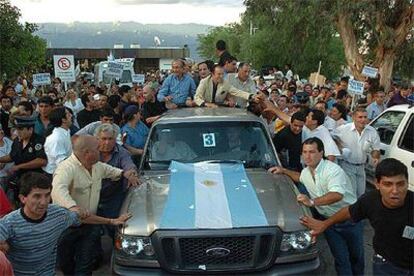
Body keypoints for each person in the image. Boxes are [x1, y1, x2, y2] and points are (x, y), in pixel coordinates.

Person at [0, 172, 131, 275]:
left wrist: (111, 221)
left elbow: (82, 218)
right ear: (23, 198)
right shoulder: (10, 222)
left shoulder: (57, 214)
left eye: (47, 195)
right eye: (37, 196)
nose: (44, 202)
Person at [300, 158, 413, 275]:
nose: (395, 191)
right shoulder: (369, 200)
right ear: (377, 184)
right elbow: (348, 211)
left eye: (400, 184)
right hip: (386, 264)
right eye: (388, 184)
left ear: (407, 183)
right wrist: (324, 224)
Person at [269, 137, 363, 275]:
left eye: (312, 152)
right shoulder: (307, 172)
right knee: (341, 259)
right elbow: (299, 176)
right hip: (328, 222)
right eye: (305, 152)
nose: (307, 156)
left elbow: (337, 194)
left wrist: (312, 202)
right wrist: (283, 170)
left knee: (356, 258)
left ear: (321, 152)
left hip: (349, 219)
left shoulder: (332, 170)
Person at [51, 135, 139, 275]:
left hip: (90, 224)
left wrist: (127, 173)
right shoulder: (65, 168)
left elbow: (116, 172)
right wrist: (73, 207)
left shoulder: (97, 166)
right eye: (97, 148)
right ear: (87, 153)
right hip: (66, 228)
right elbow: (58, 190)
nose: (101, 151)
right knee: (66, 265)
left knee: (85, 266)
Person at [94, 124, 138, 231]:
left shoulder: (122, 153)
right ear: (97, 139)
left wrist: (131, 174)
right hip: (92, 195)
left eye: (110, 139)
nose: (107, 142)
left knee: (114, 228)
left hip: (113, 197)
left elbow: (129, 165)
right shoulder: (91, 152)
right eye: (104, 139)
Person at [332, 107, 381, 197]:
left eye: (365, 117)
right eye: (360, 117)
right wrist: (340, 146)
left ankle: (359, 210)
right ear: (354, 118)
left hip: (362, 167)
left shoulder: (371, 131)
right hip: (347, 166)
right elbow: (332, 137)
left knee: (361, 194)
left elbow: (376, 148)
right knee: (351, 194)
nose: (363, 120)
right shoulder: (343, 129)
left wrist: (375, 157)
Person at [0, 116, 47, 200]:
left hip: (34, 179)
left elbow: (41, 161)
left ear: (30, 130)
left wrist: (19, 166)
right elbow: (12, 156)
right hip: (19, 178)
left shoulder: (38, 141)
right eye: (17, 129)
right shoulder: (17, 141)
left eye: (21, 129)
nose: (18, 132)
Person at [194, 65, 260, 108]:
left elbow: (236, 92)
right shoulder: (204, 82)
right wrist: (206, 104)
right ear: (212, 74)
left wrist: (251, 96)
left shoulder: (225, 82)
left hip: (219, 109)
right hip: (204, 108)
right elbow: (197, 97)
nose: (221, 76)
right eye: (219, 74)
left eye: (222, 74)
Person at [42, 107, 73, 177]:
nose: (71, 116)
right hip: (55, 174)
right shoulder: (56, 138)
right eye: (68, 115)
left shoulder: (66, 131)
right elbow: (60, 161)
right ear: (63, 120)